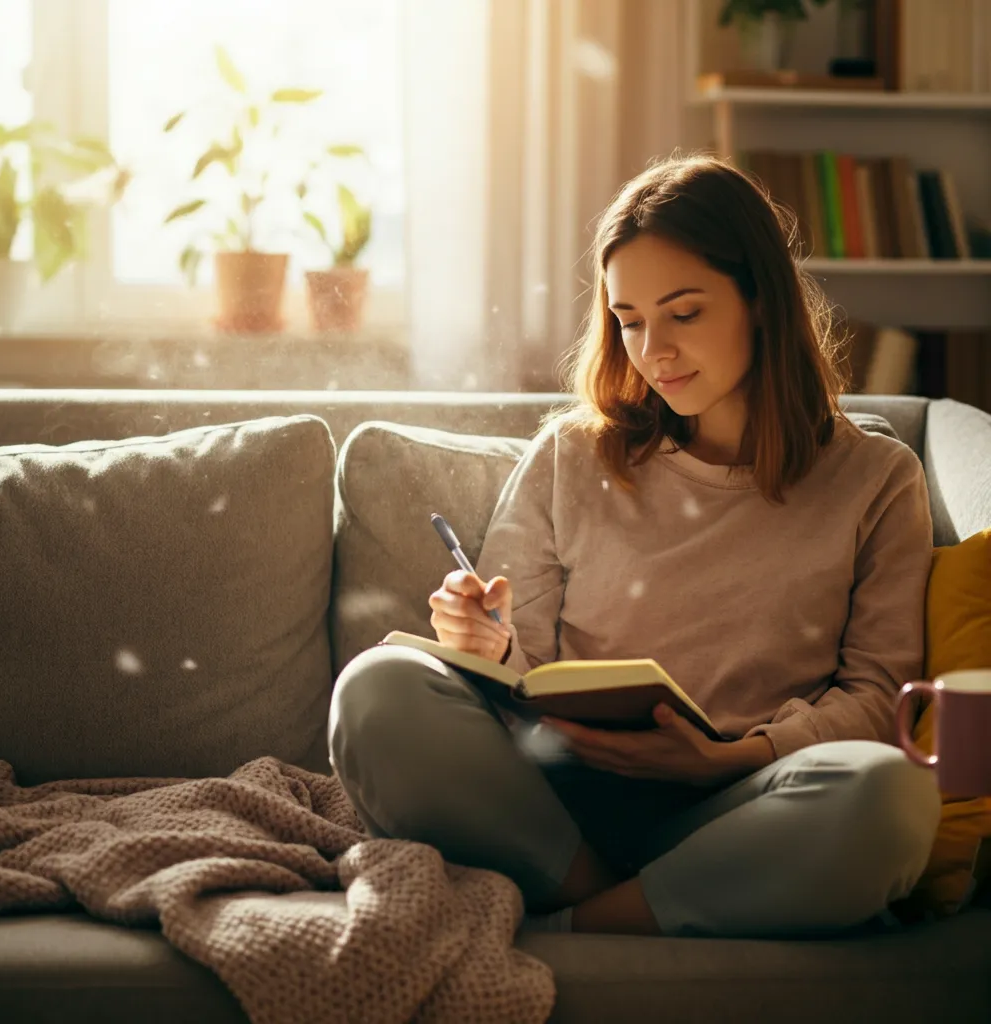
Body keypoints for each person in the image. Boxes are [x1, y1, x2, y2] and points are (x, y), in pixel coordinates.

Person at [327, 154, 941, 938]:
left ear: (761, 300)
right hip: (555, 806)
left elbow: (878, 701)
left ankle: (575, 923)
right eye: (629, 319)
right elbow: (526, 677)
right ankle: (616, 900)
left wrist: (730, 757)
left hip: (741, 802)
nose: (653, 351)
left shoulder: (878, 479)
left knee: (894, 794)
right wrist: (488, 644)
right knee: (376, 688)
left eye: (684, 313)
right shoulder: (571, 458)